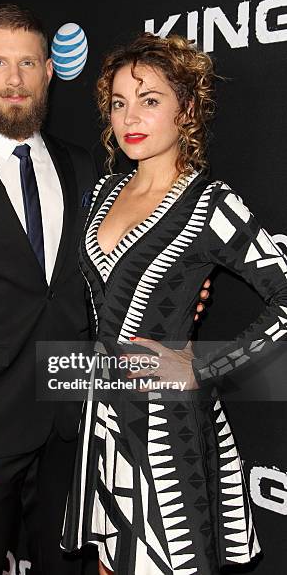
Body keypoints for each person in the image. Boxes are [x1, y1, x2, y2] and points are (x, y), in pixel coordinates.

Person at [0, 5, 209, 574]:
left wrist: (182, 290)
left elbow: (120, 265)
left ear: (48, 72)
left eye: (28, 63)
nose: (14, 79)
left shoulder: (86, 166)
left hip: (76, 422)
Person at [61, 32, 287, 574]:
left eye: (150, 99)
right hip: (103, 420)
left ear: (186, 107)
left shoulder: (212, 204)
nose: (129, 117)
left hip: (169, 429)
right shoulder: (102, 193)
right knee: (111, 564)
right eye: (119, 103)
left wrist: (202, 364)